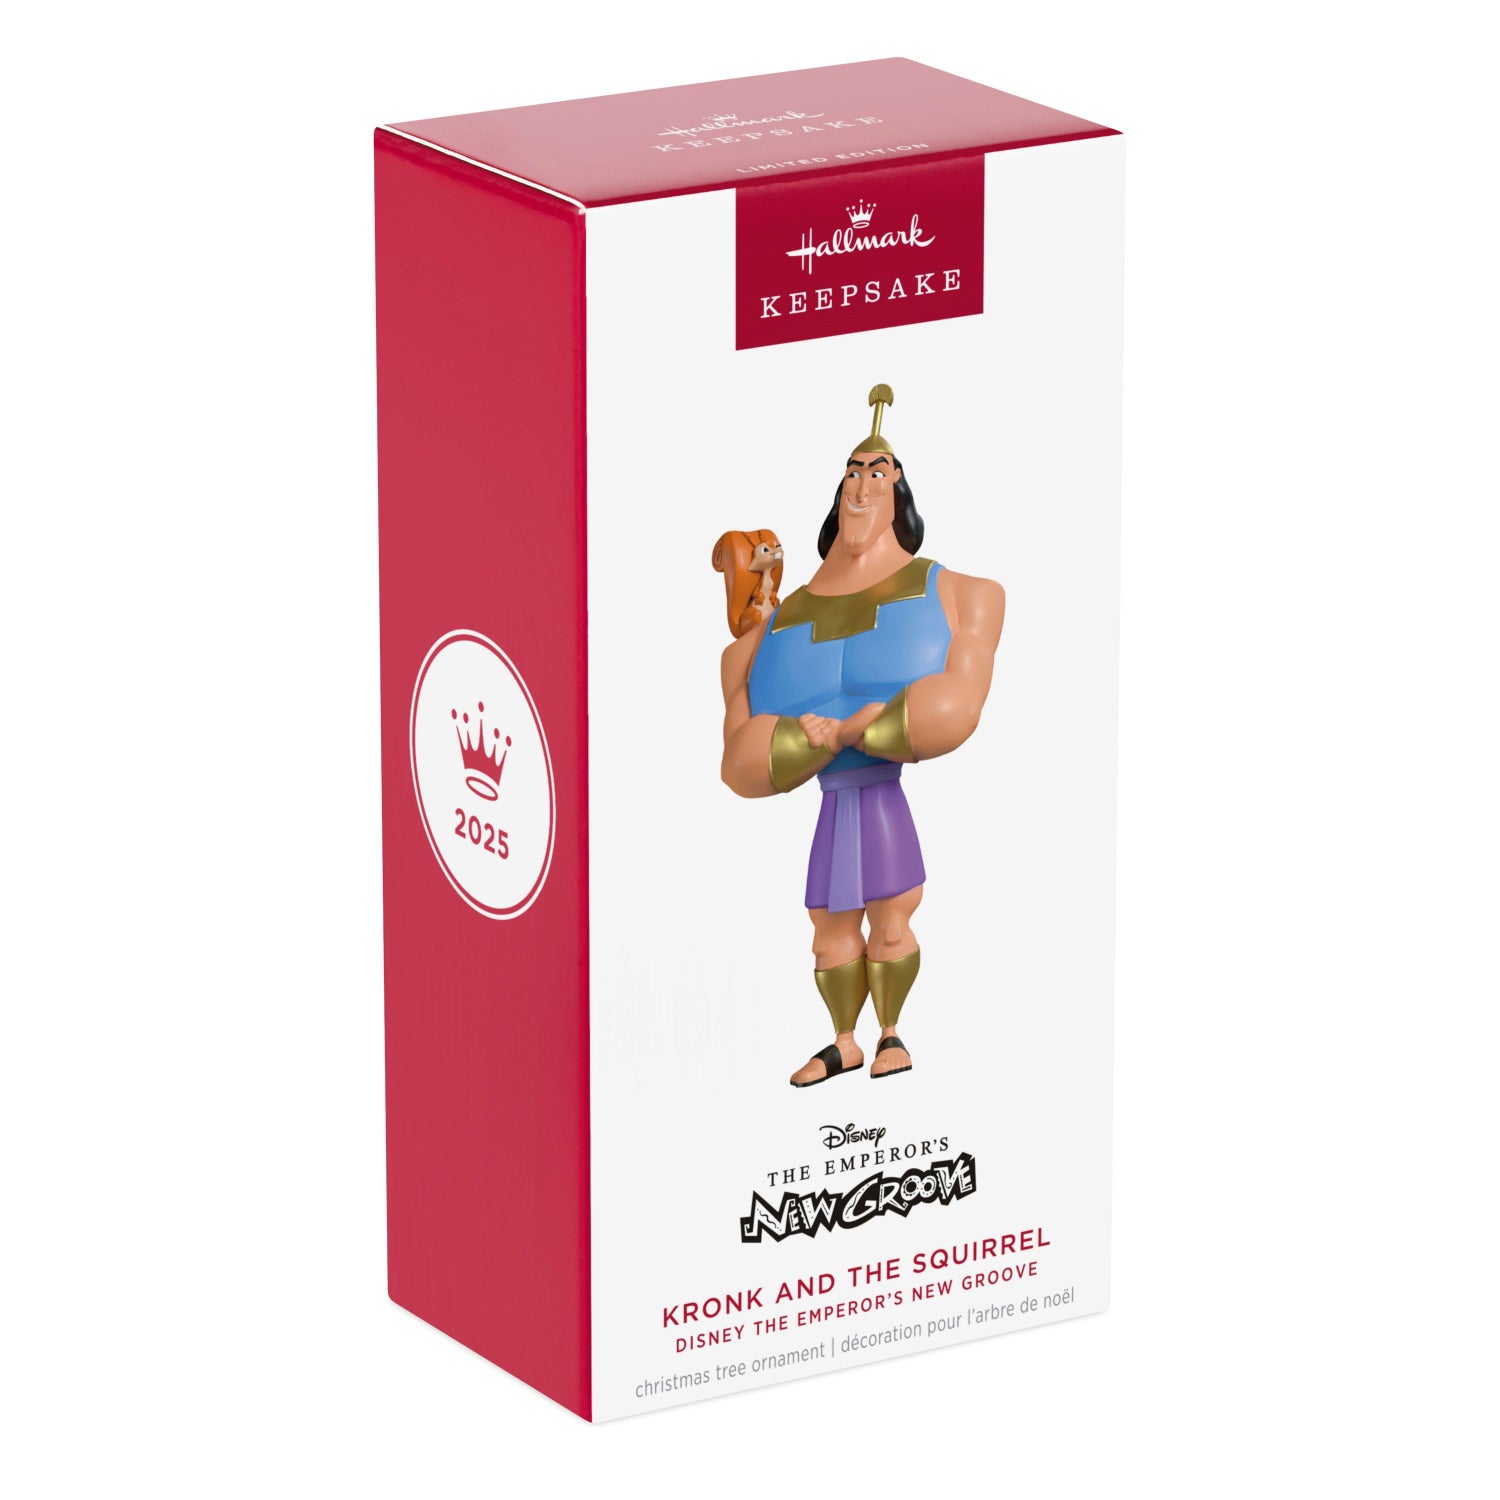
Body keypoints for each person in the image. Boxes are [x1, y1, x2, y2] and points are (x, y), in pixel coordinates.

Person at [719, 385, 1006, 1086]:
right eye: (853, 471)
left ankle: (891, 1034)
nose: (862, 484)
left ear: (898, 489)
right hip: (832, 798)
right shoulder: (771, 631)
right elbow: (737, 761)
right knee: (828, 924)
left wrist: (855, 726)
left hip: (878, 796)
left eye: (878, 471)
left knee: (891, 913)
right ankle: (843, 1041)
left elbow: (955, 708)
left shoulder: (963, 594)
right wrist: (804, 739)